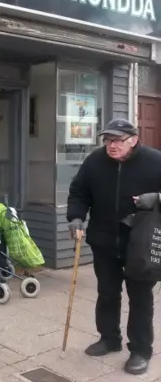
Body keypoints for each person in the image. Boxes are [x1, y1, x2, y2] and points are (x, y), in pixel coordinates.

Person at [67, 118, 161, 375]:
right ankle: (109, 338)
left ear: (134, 139)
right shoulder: (95, 161)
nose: (111, 145)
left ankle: (141, 350)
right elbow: (79, 191)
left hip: (139, 244)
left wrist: (157, 198)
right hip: (104, 240)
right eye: (108, 140)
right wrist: (76, 216)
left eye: (117, 140)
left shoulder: (155, 161)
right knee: (107, 293)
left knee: (140, 298)